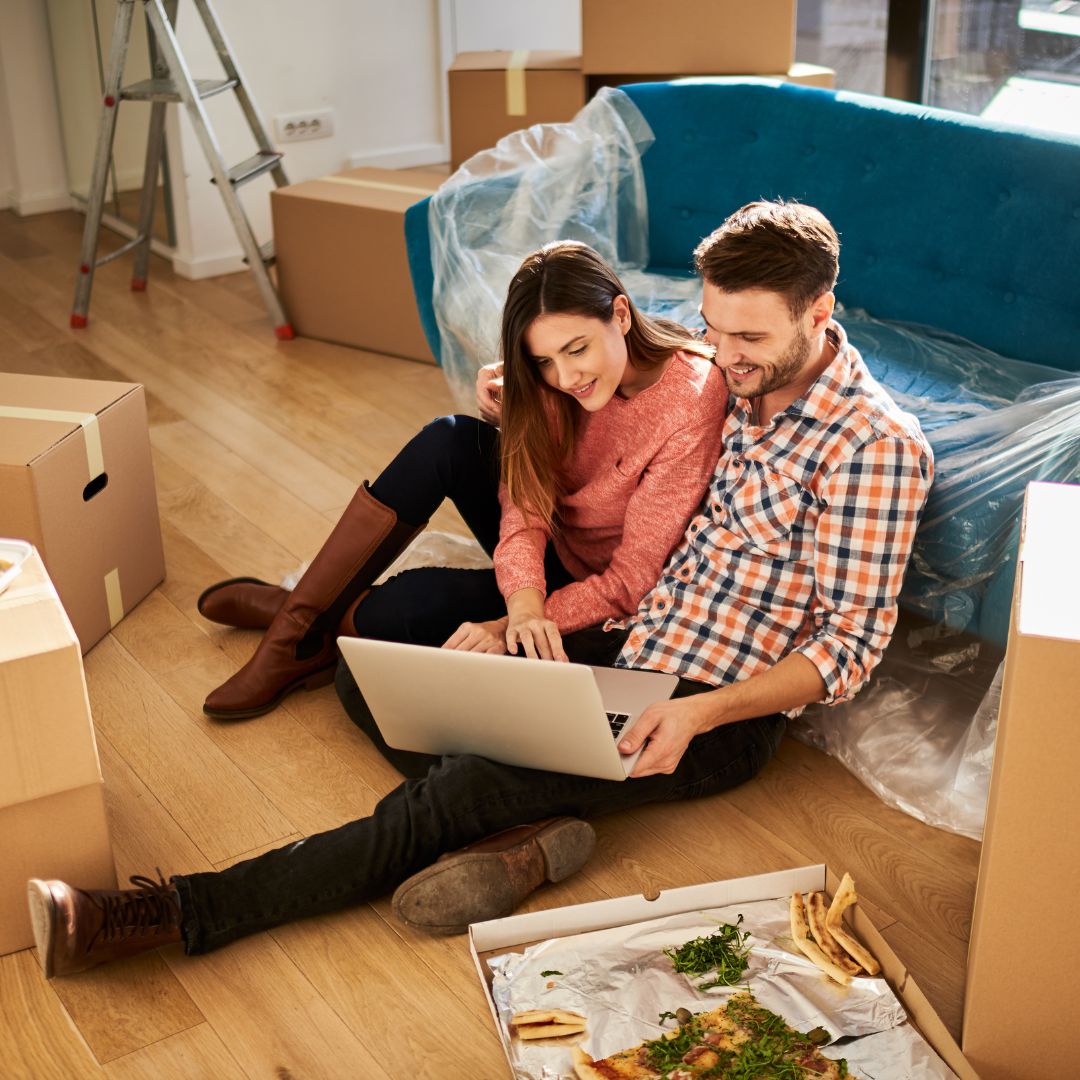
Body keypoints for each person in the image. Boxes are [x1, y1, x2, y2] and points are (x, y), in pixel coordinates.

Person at [28, 201, 933, 980]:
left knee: (454, 790)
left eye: (749, 338)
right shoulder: (739, 381)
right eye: (714, 327)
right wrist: (531, 397)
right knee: (369, 681)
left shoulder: (874, 449)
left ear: (821, 313)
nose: (724, 354)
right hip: (626, 645)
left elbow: (848, 648)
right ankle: (526, 835)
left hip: (705, 714)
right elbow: (642, 363)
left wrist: (702, 715)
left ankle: (163, 916)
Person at [198, 239, 725, 720]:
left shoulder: (689, 402)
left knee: (395, 611)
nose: (565, 379)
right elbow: (525, 500)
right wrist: (521, 599)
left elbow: (629, 583)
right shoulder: (546, 375)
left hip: (590, 586)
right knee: (448, 438)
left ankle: (300, 615)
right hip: (544, 549)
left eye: (577, 349)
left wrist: (517, 621)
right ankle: (293, 634)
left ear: (620, 314)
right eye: (545, 361)